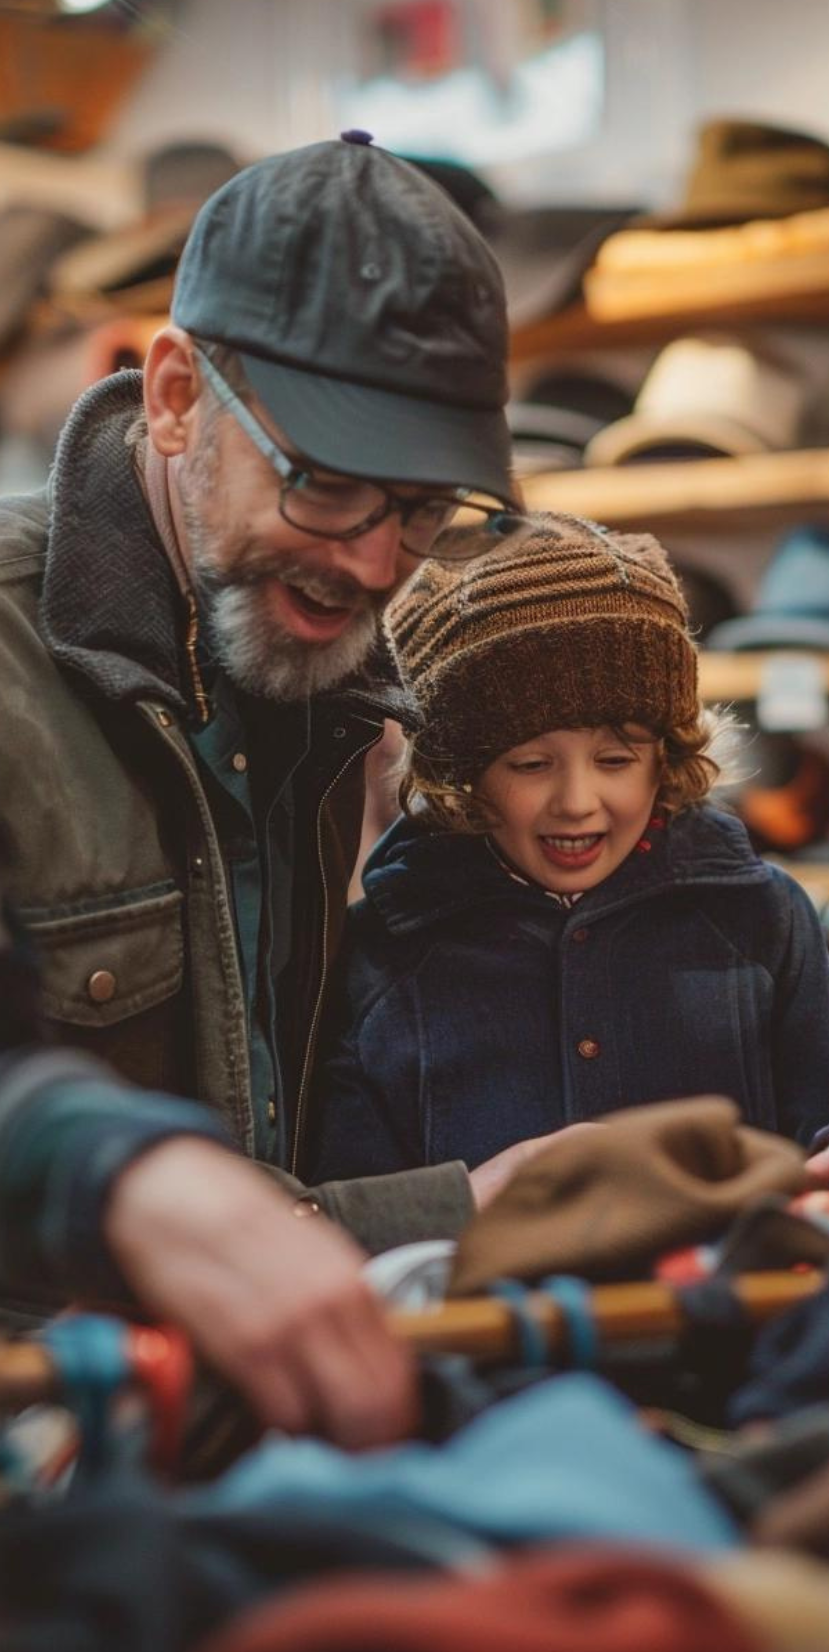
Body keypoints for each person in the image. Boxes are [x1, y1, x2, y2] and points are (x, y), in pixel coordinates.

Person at [0, 131, 573, 1443]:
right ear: (176, 397)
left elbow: (261, 1174)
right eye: (323, 485)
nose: (373, 565)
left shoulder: (322, 689)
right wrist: (120, 1176)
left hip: (216, 1434)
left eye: (423, 511)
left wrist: (469, 1209)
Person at [311, 511, 829, 1227]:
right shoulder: (381, 956)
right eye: (529, 764)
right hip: (487, 1330)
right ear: (459, 774)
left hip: (730, 1327)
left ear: (667, 759)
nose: (578, 802)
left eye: (616, 760)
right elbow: (355, 1211)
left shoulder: (756, 916)